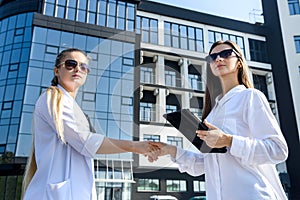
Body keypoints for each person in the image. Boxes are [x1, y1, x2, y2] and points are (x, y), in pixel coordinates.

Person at [153, 40, 289, 200]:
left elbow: (279, 150)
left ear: (239, 61)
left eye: (225, 54)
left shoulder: (250, 97)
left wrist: (229, 140)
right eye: (213, 57)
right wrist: (171, 150)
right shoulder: (213, 113)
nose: (218, 59)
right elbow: (208, 164)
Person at [22, 48, 160, 200]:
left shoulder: (74, 108)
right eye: (70, 64)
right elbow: (85, 141)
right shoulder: (52, 97)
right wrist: (135, 146)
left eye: (83, 66)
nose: (77, 69)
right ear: (57, 70)